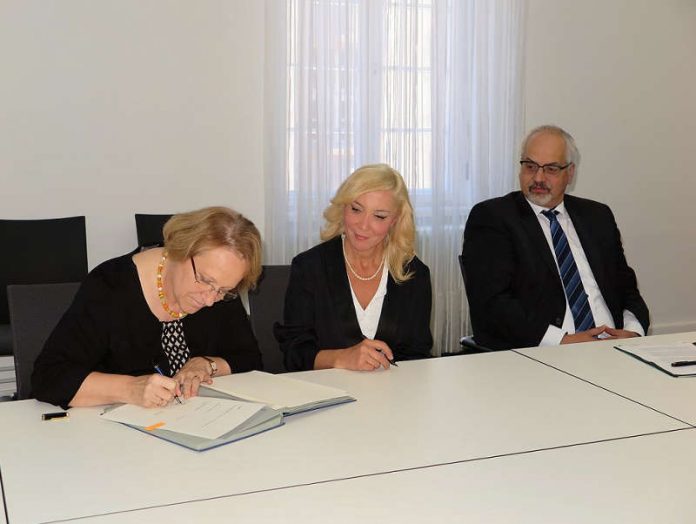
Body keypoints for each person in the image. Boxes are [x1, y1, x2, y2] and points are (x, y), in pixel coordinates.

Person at [32, 206, 263, 408]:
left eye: (223, 291)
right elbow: (49, 378)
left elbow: (249, 359)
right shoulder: (110, 286)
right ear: (179, 250)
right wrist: (130, 389)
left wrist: (207, 364)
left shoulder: (218, 286)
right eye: (205, 281)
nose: (210, 300)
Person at [461, 125, 649, 350]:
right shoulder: (493, 218)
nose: (538, 177)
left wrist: (632, 332)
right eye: (530, 166)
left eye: (550, 169)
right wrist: (562, 340)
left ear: (570, 173)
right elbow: (493, 304)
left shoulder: (597, 216)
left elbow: (626, 288)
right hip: (544, 354)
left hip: (615, 349)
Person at [275, 164, 433, 371]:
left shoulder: (415, 274)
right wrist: (341, 358)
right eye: (356, 209)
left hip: (393, 396)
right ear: (343, 208)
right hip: (327, 395)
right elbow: (294, 353)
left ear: (395, 221)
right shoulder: (309, 267)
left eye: (379, 216)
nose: (363, 225)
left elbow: (418, 355)